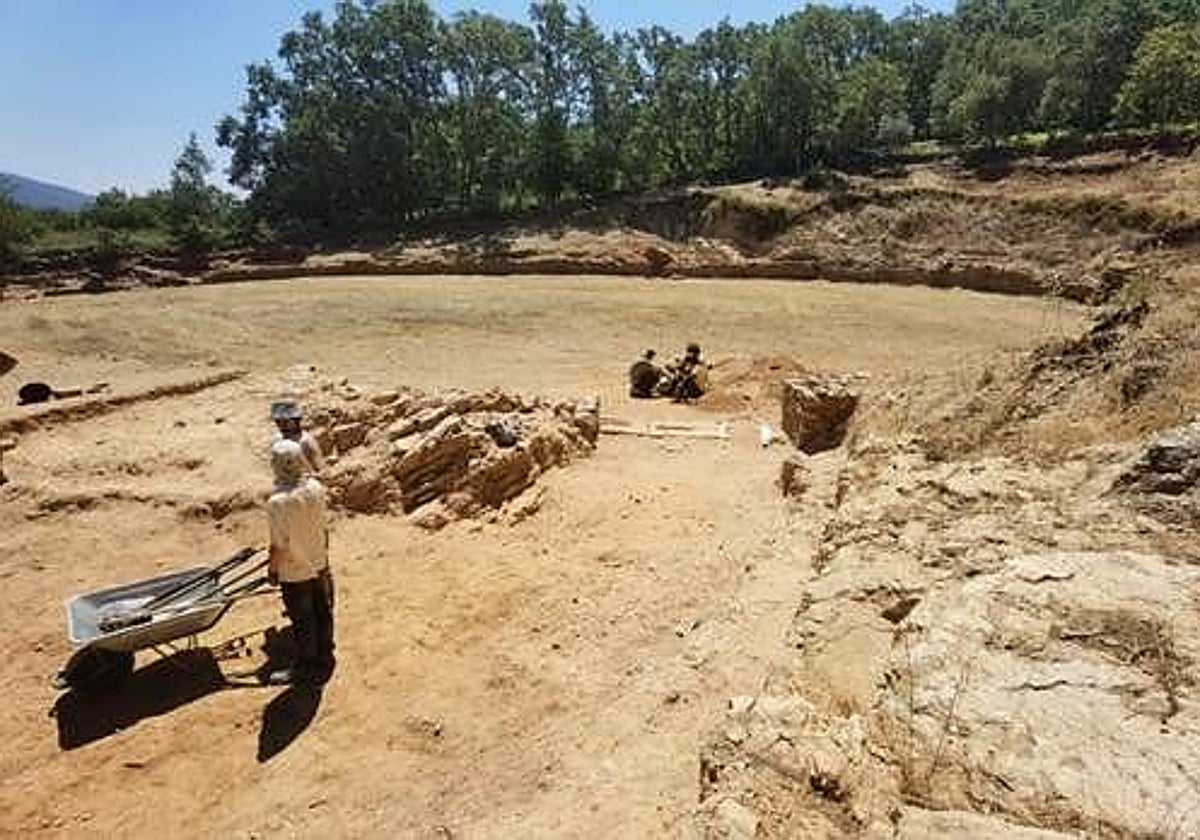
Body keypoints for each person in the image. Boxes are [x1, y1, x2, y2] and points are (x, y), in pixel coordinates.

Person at [265, 439, 335, 685]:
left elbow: (278, 546)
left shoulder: (277, 503)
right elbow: (323, 528)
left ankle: (306, 667)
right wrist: (321, 556)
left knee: (303, 619)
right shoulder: (316, 488)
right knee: (322, 612)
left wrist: (272, 570)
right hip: (319, 563)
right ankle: (325, 655)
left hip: (294, 572)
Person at [271, 398, 324, 475]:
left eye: (286, 422)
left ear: (296, 421)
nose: (282, 426)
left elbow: (321, 469)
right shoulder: (276, 439)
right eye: (278, 422)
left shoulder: (306, 441)